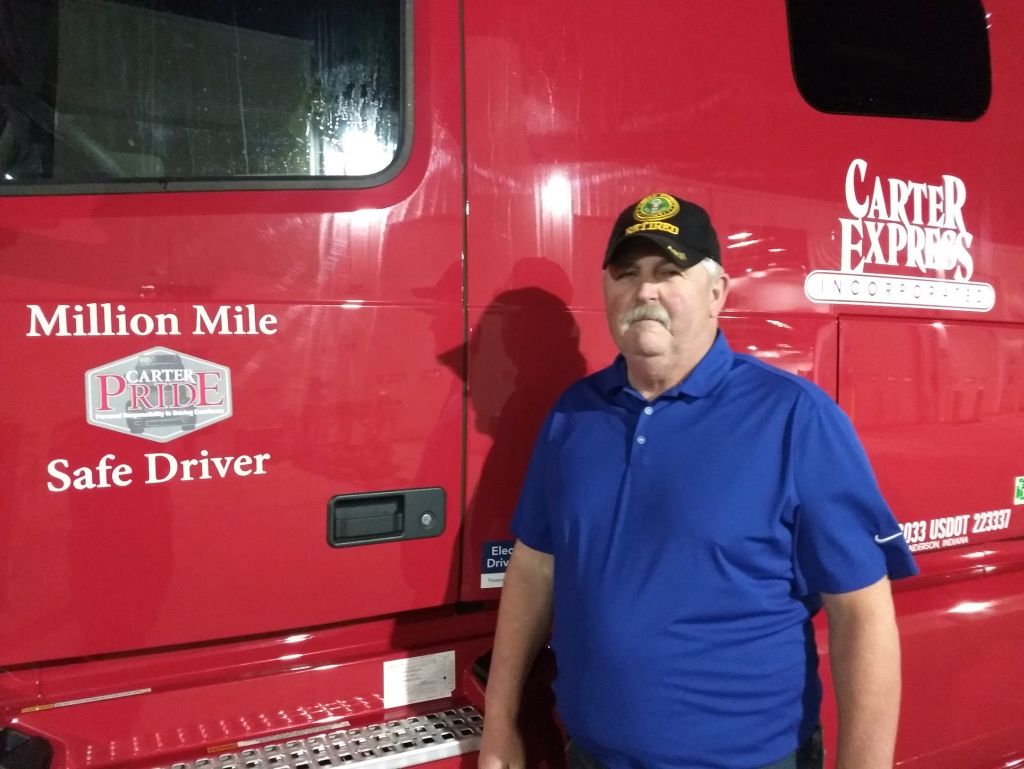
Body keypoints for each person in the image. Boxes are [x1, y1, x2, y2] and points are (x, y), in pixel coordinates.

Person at [478, 193, 918, 769]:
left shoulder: (794, 419)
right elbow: (534, 568)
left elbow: (862, 614)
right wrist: (500, 723)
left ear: (717, 293)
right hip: (590, 755)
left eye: (668, 272)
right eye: (626, 273)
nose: (645, 292)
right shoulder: (573, 416)